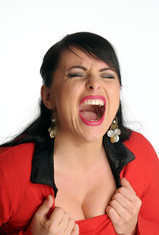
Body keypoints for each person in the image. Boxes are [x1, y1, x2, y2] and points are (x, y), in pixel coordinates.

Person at [0, 32, 159, 235]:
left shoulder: (141, 153)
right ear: (48, 97)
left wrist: (136, 228)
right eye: (77, 74)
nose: (94, 82)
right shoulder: (7, 170)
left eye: (107, 75)